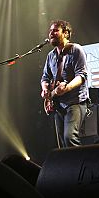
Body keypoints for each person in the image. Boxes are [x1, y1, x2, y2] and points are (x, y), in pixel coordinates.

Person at [40, 19, 89, 148]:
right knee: (62, 144)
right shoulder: (51, 55)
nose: (51, 33)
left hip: (75, 102)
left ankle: (83, 165)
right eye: (50, 31)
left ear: (66, 33)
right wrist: (45, 89)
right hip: (58, 104)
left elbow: (82, 76)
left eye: (55, 30)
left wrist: (66, 88)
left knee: (70, 138)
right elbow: (45, 77)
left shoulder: (76, 50)